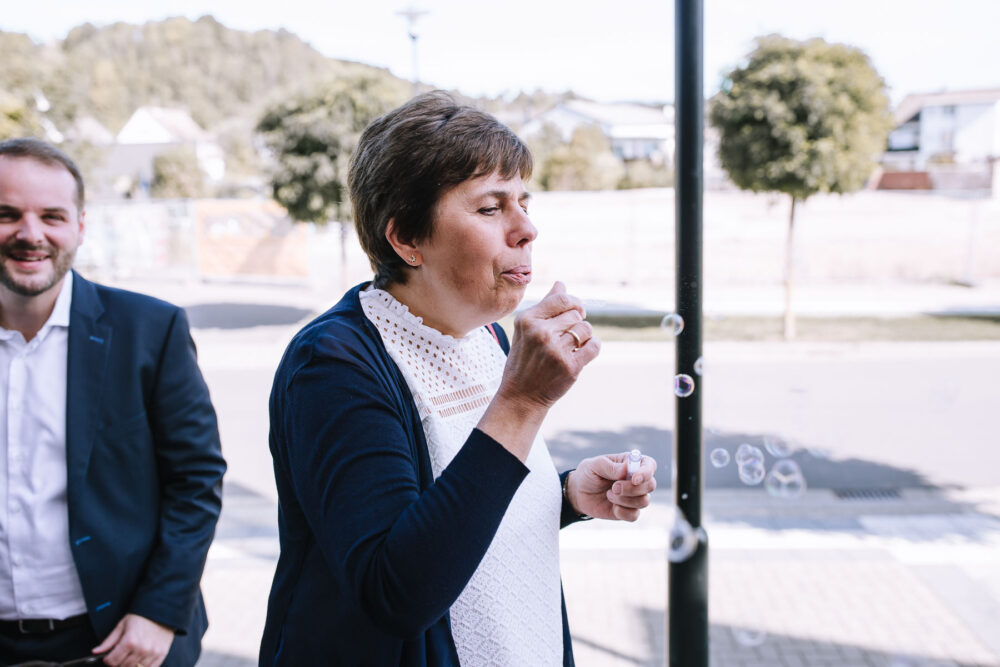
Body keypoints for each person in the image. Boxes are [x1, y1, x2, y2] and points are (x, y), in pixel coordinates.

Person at [259, 92, 658, 666]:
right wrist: (522, 402)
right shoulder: (333, 364)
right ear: (406, 238)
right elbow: (395, 591)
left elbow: (462, 505)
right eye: (491, 208)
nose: (526, 229)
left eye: (523, 201)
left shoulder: (486, 334)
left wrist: (567, 494)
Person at [0, 138, 226, 667]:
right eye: (6, 214)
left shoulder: (150, 330)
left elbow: (196, 481)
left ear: (80, 226)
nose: (30, 234)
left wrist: (159, 611)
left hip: (121, 641)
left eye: (51, 216)